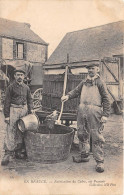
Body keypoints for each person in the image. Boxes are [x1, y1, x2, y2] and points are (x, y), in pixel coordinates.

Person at [61, 63, 111, 173]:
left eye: (92, 69)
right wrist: (68, 96)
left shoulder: (100, 83)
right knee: (81, 133)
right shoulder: (84, 82)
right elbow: (76, 91)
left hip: (95, 111)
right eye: (89, 69)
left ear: (97, 69)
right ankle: (84, 155)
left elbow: (107, 99)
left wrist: (105, 115)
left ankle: (99, 162)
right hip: (82, 110)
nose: (90, 71)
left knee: (96, 135)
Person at [1, 68, 33, 166]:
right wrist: (7, 116)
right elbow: (6, 102)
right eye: (18, 75)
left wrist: (31, 112)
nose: (19, 77)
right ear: (15, 76)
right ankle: (8, 153)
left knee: (21, 131)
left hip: (24, 111)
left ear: (24, 77)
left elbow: (30, 100)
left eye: (21, 75)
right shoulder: (10, 87)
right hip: (13, 110)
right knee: (11, 130)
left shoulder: (26, 88)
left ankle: (18, 151)